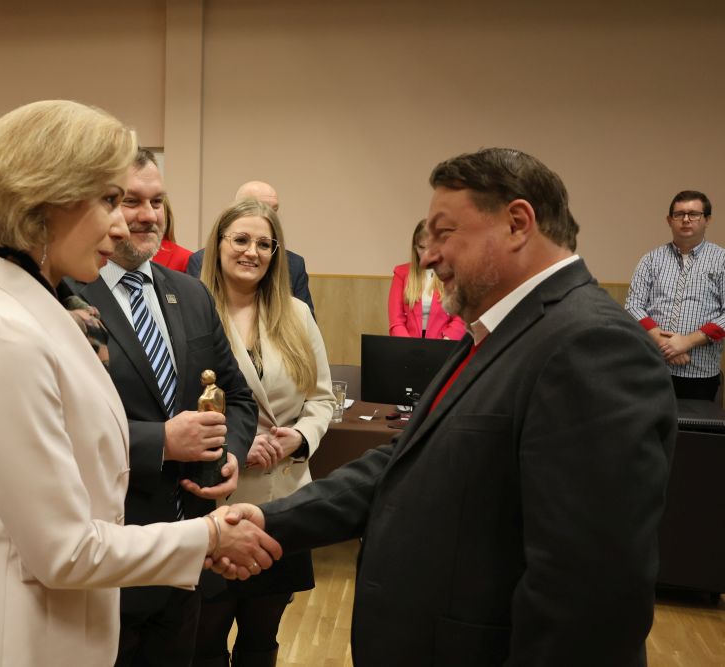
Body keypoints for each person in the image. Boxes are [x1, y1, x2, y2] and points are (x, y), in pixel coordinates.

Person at [216, 148, 676, 666]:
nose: (428, 256)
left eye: (444, 233)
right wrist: (270, 519)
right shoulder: (501, 330)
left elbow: (590, 596)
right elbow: (402, 463)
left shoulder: (592, 346)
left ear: (517, 224)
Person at [0, 101, 280, 667]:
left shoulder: (45, 310)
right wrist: (210, 537)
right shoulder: (3, 332)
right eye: (109, 200)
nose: (124, 225)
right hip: (15, 638)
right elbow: (64, 551)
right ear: (43, 202)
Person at [71, 149, 259, 666]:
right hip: (108, 556)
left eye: (157, 202)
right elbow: (63, 424)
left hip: (188, 557)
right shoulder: (67, 298)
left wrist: (230, 455)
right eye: (131, 201)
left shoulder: (190, 294)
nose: (148, 216)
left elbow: (238, 395)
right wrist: (161, 442)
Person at [194, 199, 335, 666]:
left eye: (263, 244)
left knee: (262, 637)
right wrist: (237, 442)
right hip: (218, 501)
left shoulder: (296, 313)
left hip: (283, 500)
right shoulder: (192, 311)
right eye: (240, 239)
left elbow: (322, 398)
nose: (251, 252)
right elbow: (174, 401)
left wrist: (301, 437)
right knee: (206, 637)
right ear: (218, 245)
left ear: (276, 254)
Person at [625, 190, 725, 401]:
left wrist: (687, 342)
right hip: (652, 368)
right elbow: (633, 306)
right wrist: (665, 343)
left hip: (700, 375)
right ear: (669, 220)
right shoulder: (650, 260)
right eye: (679, 214)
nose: (686, 219)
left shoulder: (721, 260)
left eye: (694, 214)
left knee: (696, 425)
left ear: (707, 219)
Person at [187, 181, 314, 315]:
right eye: (240, 240)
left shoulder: (299, 311)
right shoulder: (200, 263)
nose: (252, 253)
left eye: (274, 210)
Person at [387, 218, 466, 339]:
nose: (426, 254)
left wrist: (445, 341)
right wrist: (407, 346)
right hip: (407, 345)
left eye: (430, 248)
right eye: (421, 247)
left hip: (443, 345)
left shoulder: (452, 273)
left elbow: (460, 318)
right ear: (415, 247)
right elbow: (396, 320)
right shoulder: (400, 273)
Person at [151, 195, 193, 272]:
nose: (147, 215)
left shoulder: (186, 259)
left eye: (155, 203)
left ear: (166, 215)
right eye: (132, 202)